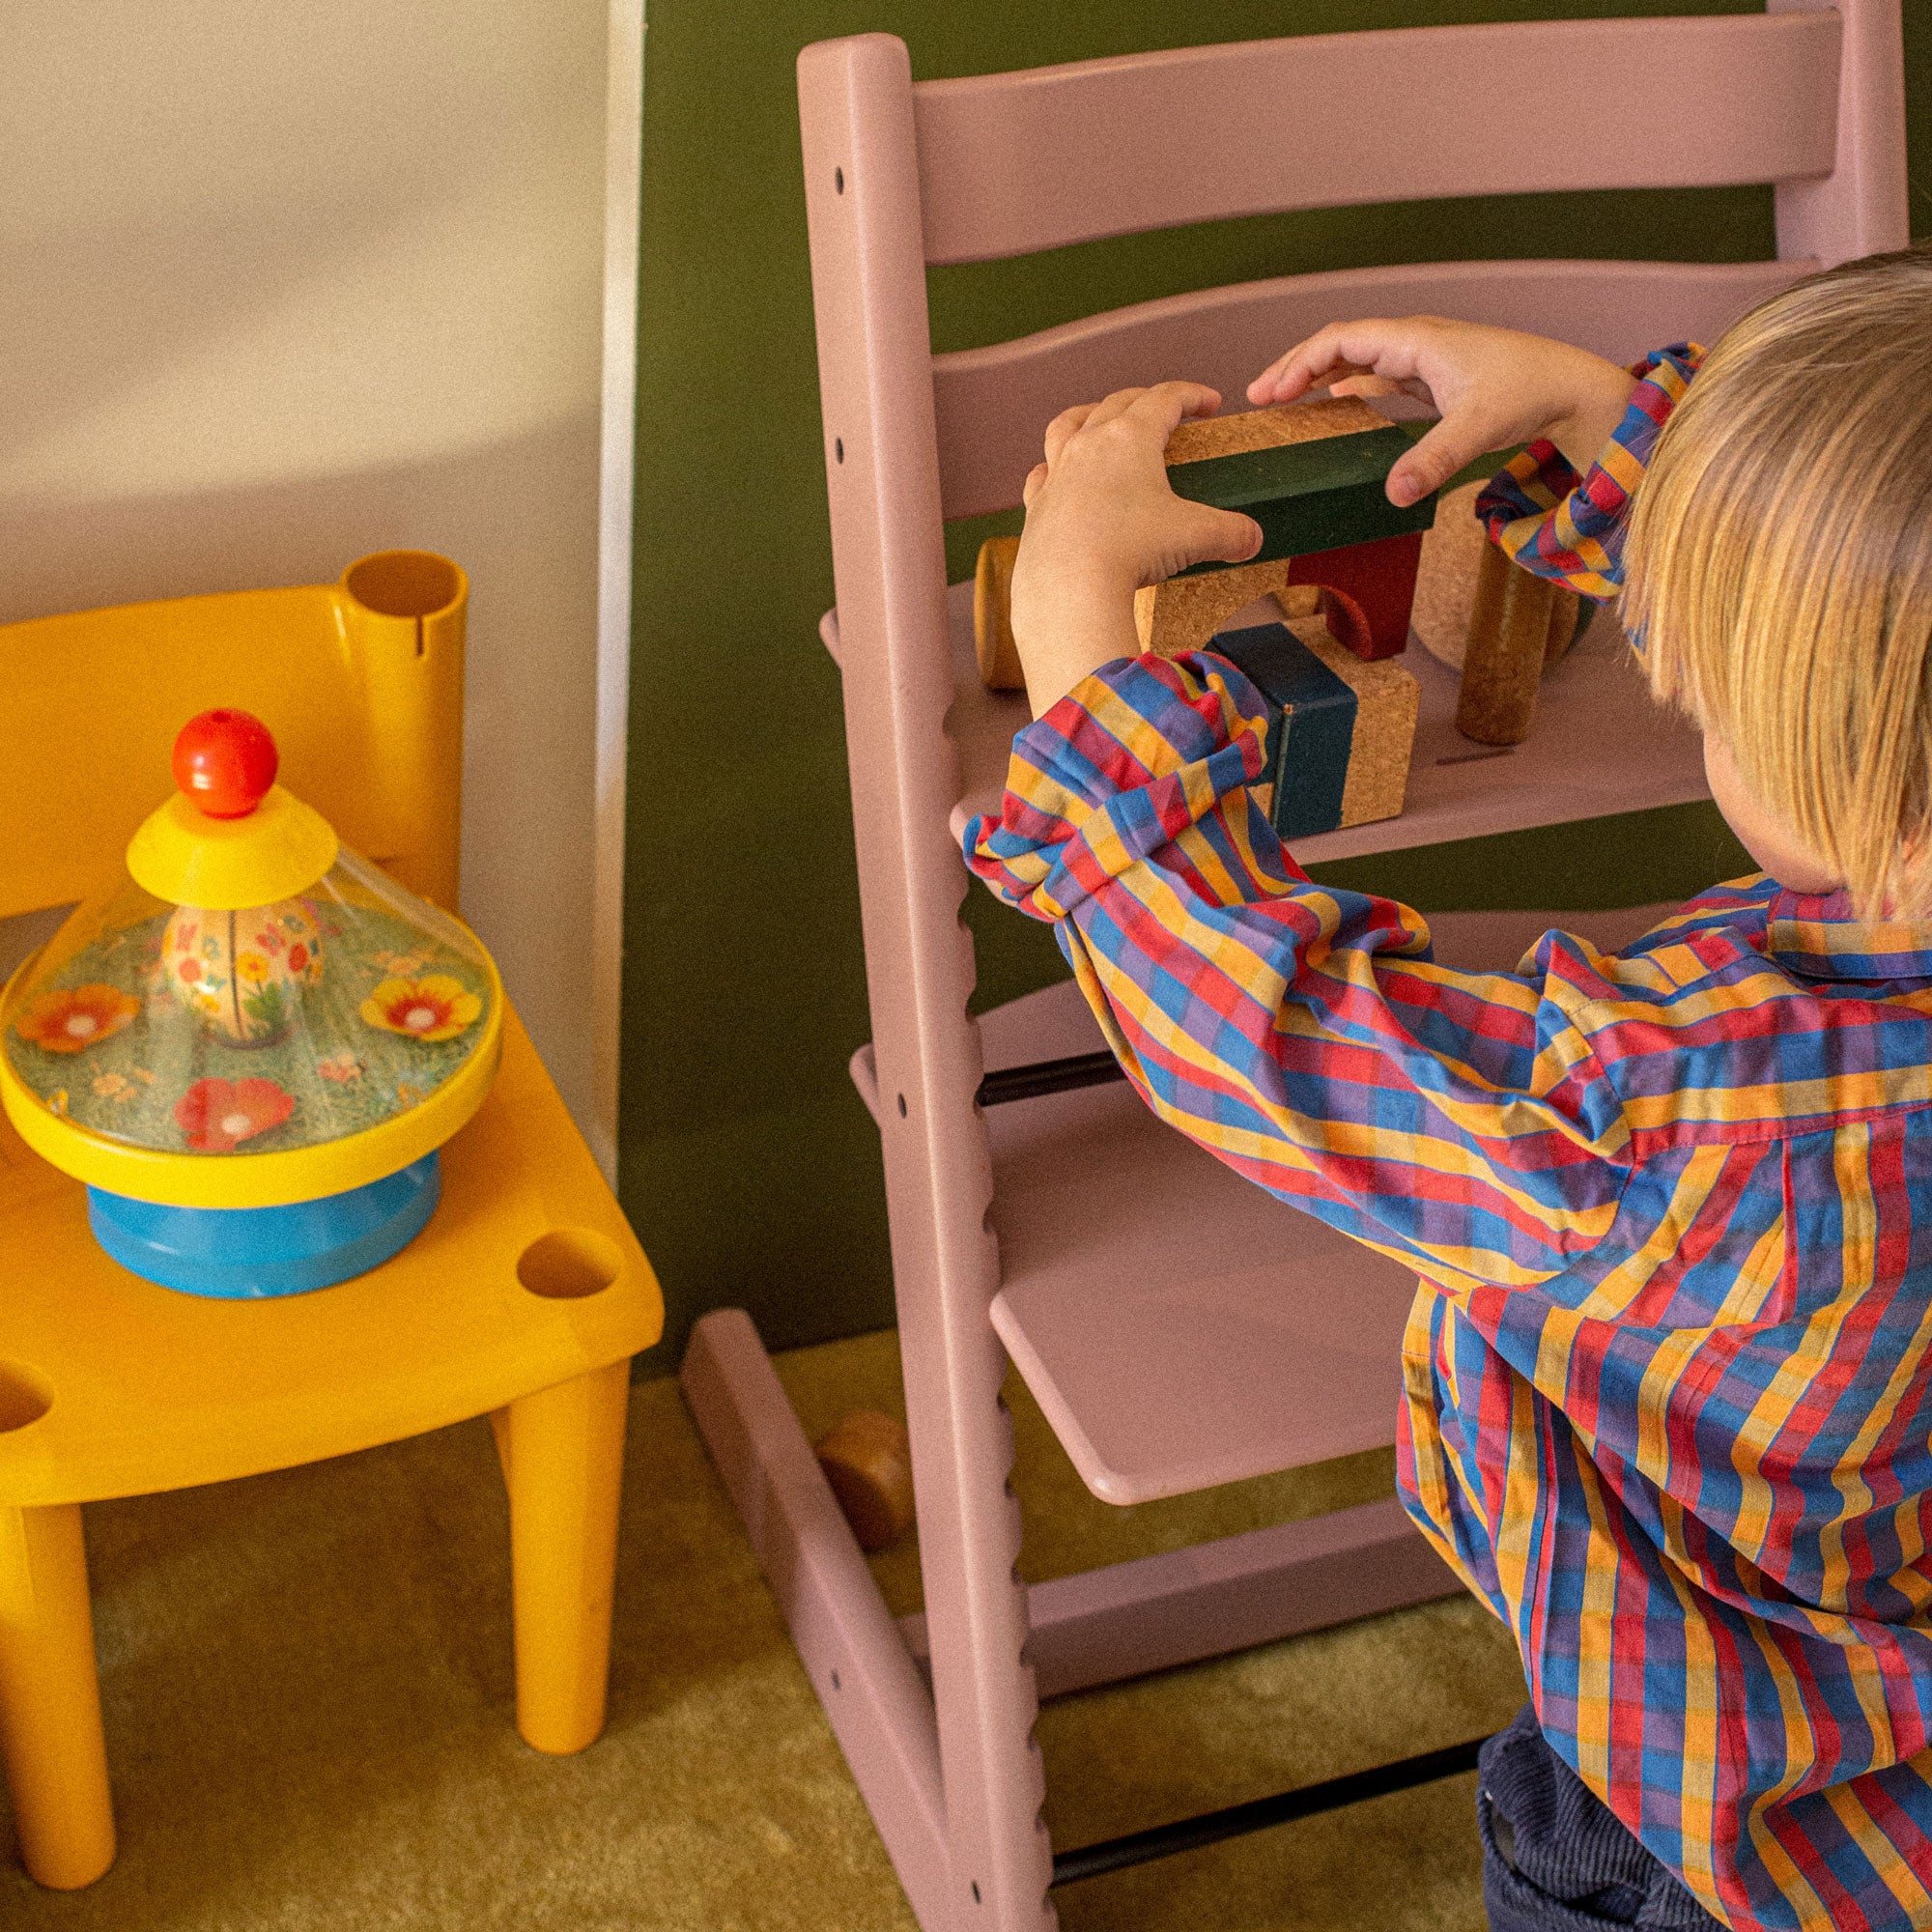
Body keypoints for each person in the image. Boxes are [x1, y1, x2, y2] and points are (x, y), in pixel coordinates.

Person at [962, 242, 1932, 1932]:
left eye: (1707, 675)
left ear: (1836, 745)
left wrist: (1076, 648)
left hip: (1701, 1816)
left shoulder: (1675, 1102)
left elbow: (1271, 1033)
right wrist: (1609, 422)